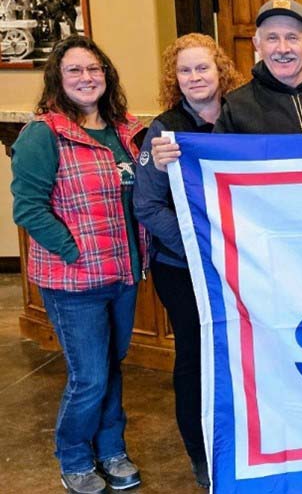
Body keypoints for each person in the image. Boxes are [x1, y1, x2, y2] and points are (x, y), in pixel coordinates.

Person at [11, 36, 149, 494]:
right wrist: (74, 251)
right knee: (89, 377)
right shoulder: (43, 133)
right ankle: (73, 458)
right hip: (74, 282)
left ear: (105, 75)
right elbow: (28, 208)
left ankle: (111, 451)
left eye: (94, 69)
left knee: (110, 368)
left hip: (124, 275)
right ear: (58, 78)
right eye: (74, 71)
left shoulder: (125, 130)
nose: (86, 78)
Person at [132, 34, 245, 489]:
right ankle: (200, 453)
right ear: (173, 78)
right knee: (195, 359)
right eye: (185, 70)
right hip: (183, 267)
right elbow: (147, 206)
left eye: (203, 68)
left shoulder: (243, 120)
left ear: (221, 70)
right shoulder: (164, 131)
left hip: (241, 263)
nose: (195, 78)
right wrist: (200, 245)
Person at [150, 0, 302, 167]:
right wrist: (166, 165)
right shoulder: (237, 107)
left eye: (292, 37)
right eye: (272, 38)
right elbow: (211, 169)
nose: (282, 49)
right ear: (257, 45)